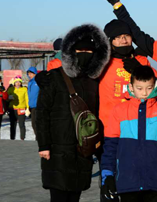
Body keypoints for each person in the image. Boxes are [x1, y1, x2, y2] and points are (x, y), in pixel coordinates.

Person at [36, 23, 110, 202]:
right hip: (57, 148)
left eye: (90, 52)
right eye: (80, 52)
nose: (85, 56)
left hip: (82, 148)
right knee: (59, 195)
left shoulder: (93, 82)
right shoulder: (53, 77)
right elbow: (42, 114)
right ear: (71, 53)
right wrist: (43, 145)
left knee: (75, 195)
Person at [100, 65, 157, 202]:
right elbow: (110, 147)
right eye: (139, 88)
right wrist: (107, 175)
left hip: (156, 182)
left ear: (155, 85)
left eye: (149, 88)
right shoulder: (118, 111)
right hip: (127, 182)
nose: (144, 93)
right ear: (131, 87)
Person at [99, 20, 153, 137]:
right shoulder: (102, 63)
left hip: (138, 128)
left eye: (126, 36)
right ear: (109, 40)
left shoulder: (142, 61)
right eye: (118, 37)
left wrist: (140, 71)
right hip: (109, 129)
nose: (124, 40)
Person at [7, 76, 29, 140]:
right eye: (16, 82)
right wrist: (9, 98)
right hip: (12, 109)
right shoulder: (11, 89)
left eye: (19, 82)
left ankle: (22, 138)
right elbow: (6, 98)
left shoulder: (24, 89)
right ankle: (12, 138)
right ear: (14, 83)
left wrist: (28, 108)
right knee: (13, 125)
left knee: (21, 125)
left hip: (21, 109)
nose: (18, 83)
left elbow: (27, 99)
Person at [26, 67, 39, 137]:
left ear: (35, 73)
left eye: (31, 73)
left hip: (38, 106)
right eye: (28, 74)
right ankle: (38, 138)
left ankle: (39, 139)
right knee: (33, 124)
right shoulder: (30, 82)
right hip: (32, 106)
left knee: (37, 124)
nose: (29, 75)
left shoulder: (38, 81)